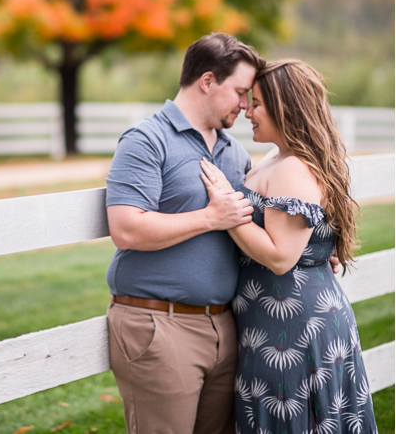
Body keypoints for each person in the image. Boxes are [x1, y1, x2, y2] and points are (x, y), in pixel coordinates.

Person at [199, 59, 377, 432]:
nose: (247, 110)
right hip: (272, 324)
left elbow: (280, 257)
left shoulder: (292, 168)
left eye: (258, 103)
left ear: (287, 108)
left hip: (293, 330)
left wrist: (225, 208)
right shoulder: (277, 158)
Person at [104, 33, 263, 433]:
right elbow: (126, 228)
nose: (245, 106)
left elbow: (256, 226)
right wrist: (211, 217)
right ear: (207, 81)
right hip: (159, 325)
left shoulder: (235, 153)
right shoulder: (146, 140)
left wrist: (316, 248)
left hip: (225, 327)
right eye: (241, 92)